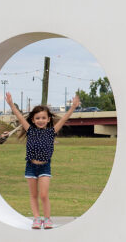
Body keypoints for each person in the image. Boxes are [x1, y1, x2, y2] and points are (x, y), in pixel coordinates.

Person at [6, 92, 80, 229]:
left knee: (44, 195)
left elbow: (64, 119)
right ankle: (36, 219)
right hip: (30, 167)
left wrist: (73, 107)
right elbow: (19, 116)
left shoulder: (51, 131)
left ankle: (47, 219)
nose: (40, 120)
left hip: (45, 167)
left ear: (48, 119)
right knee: (34, 195)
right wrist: (11, 104)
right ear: (33, 120)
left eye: (43, 118)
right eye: (38, 118)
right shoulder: (30, 130)